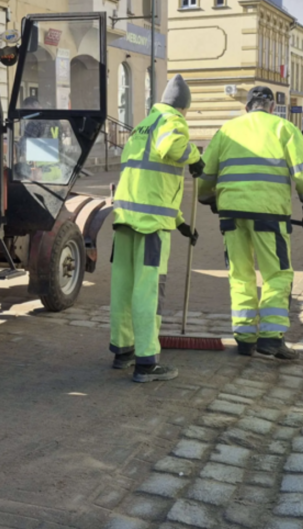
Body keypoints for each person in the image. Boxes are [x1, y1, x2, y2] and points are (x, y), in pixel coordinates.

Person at [197, 87, 303, 360]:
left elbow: (206, 172)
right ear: (271, 108)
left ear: (247, 107)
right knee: (276, 274)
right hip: (269, 213)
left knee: (240, 275)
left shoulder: (227, 130)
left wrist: (209, 198)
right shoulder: (284, 128)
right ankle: (271, 338)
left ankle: (244, 339)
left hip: (231, 213)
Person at [110, 75, 202, 383]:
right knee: (148, 290)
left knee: (123, 287)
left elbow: (151, 182)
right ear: (183, 107)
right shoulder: (172, 120)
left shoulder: (142, 125)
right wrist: (196, 156)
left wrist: (181, 223)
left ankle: (123, 351)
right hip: (150, 228)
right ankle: (146, 362)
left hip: (126, 218)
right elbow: (172, 147)